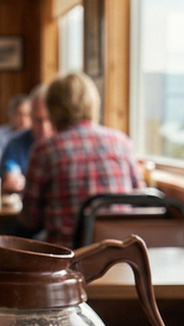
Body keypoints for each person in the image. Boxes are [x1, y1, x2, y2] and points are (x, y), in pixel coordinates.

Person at [19, 72, 142, 243]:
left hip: (68, 259)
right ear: (93, 103)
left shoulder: (45, 150)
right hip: (119, 255)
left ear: (52, 108)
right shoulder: (122, 143)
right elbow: (139, 199)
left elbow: (30, 219)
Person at [0, 81, 51, 193]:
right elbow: (7, 173)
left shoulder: (66, 145)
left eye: (49, 119)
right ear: (31, 117)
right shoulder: (15, 144)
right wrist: (8, 180)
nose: (44, 128)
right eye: (38, 121)